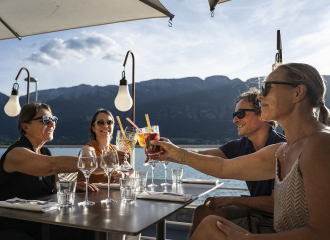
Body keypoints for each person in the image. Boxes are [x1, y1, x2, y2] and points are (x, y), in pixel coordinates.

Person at [151, 63, 330, 239]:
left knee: (211, 226)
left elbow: (323, 233)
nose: (260, 95)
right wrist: (172, 153)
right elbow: (222, 167)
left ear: (297, 93)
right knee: (210, 222)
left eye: (267, 87)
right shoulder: (281, 151)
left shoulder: (320, 143)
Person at [188, 87, 286, 236]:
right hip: (255, 210)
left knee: (211, 225)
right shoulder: (242, 145)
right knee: (204, 211)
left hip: (275, 222)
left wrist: (231, 199)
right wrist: (170, 152)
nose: (235, 120)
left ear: (262, 115)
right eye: (235, 115)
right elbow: (202, 155)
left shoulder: (281, 148)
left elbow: (274, 205)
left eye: (240, 114)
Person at [0, 102, 93, 240]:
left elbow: (55, 187)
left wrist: (72, 186)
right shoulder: (16, 153)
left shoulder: (45, 152)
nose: (52, 124)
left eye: (53, 119)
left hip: (42, 222)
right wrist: (98, 162)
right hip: (15, 226)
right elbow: (52, 165)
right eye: (45, 120)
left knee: (89, 228)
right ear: (26, 126)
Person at [76, 108, 134, 186]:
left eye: (109, 122)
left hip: (108, 195)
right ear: (93, 128)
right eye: (100, 122)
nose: (106, 126)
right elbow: (93, 168)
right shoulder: (88, 149)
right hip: (87, 195)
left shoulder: (115, 149)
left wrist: (124, 175)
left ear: (113, 126)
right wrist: (114, 162)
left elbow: (132, 171)